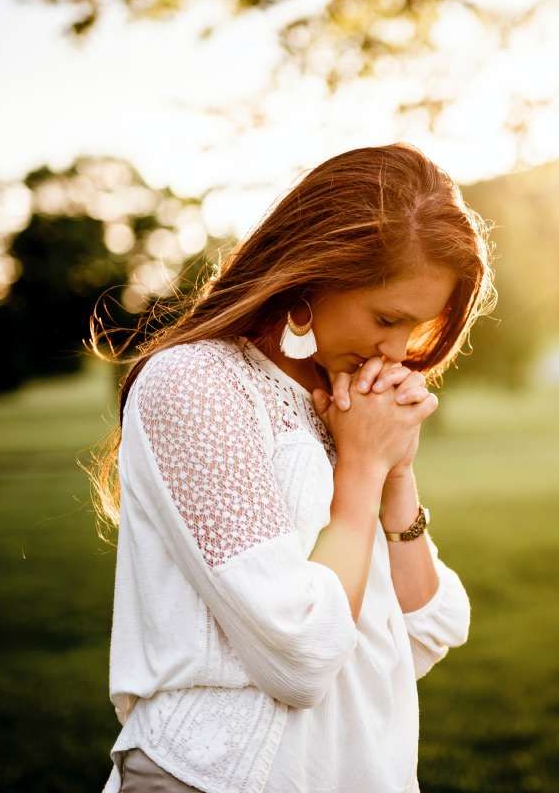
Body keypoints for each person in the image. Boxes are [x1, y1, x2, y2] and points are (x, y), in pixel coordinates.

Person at [90, 142, 497, 793]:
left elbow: (425, 629)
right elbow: (302, 652)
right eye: (386, 318)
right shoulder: (197, 386)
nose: (398, 351)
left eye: (417, 328)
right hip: (214, 777)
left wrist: (395, 472)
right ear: (313, 275)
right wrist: (360, 472)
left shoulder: (344, 402)